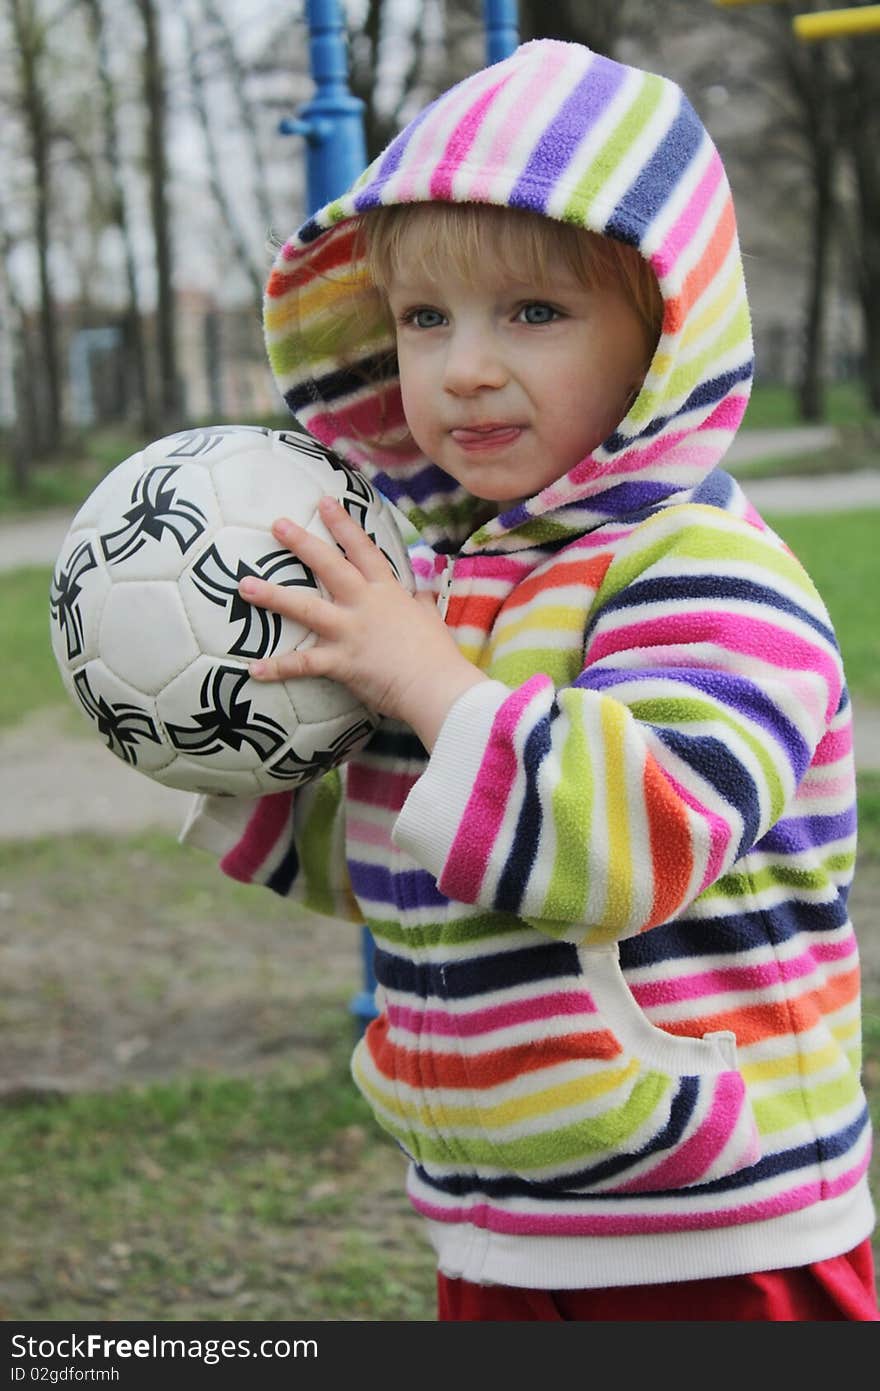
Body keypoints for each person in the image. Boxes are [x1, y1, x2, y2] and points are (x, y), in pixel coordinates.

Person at [182, 39, 879, 1320]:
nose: (462, 368)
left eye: (535, 313)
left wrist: (432, 679)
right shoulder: (445, 578)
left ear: (662, 334)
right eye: (421, 318)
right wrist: (226, 731)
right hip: (500, 1212)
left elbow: (637, 843)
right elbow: (399, 863)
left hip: (716, 1223)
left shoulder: (707, 568)